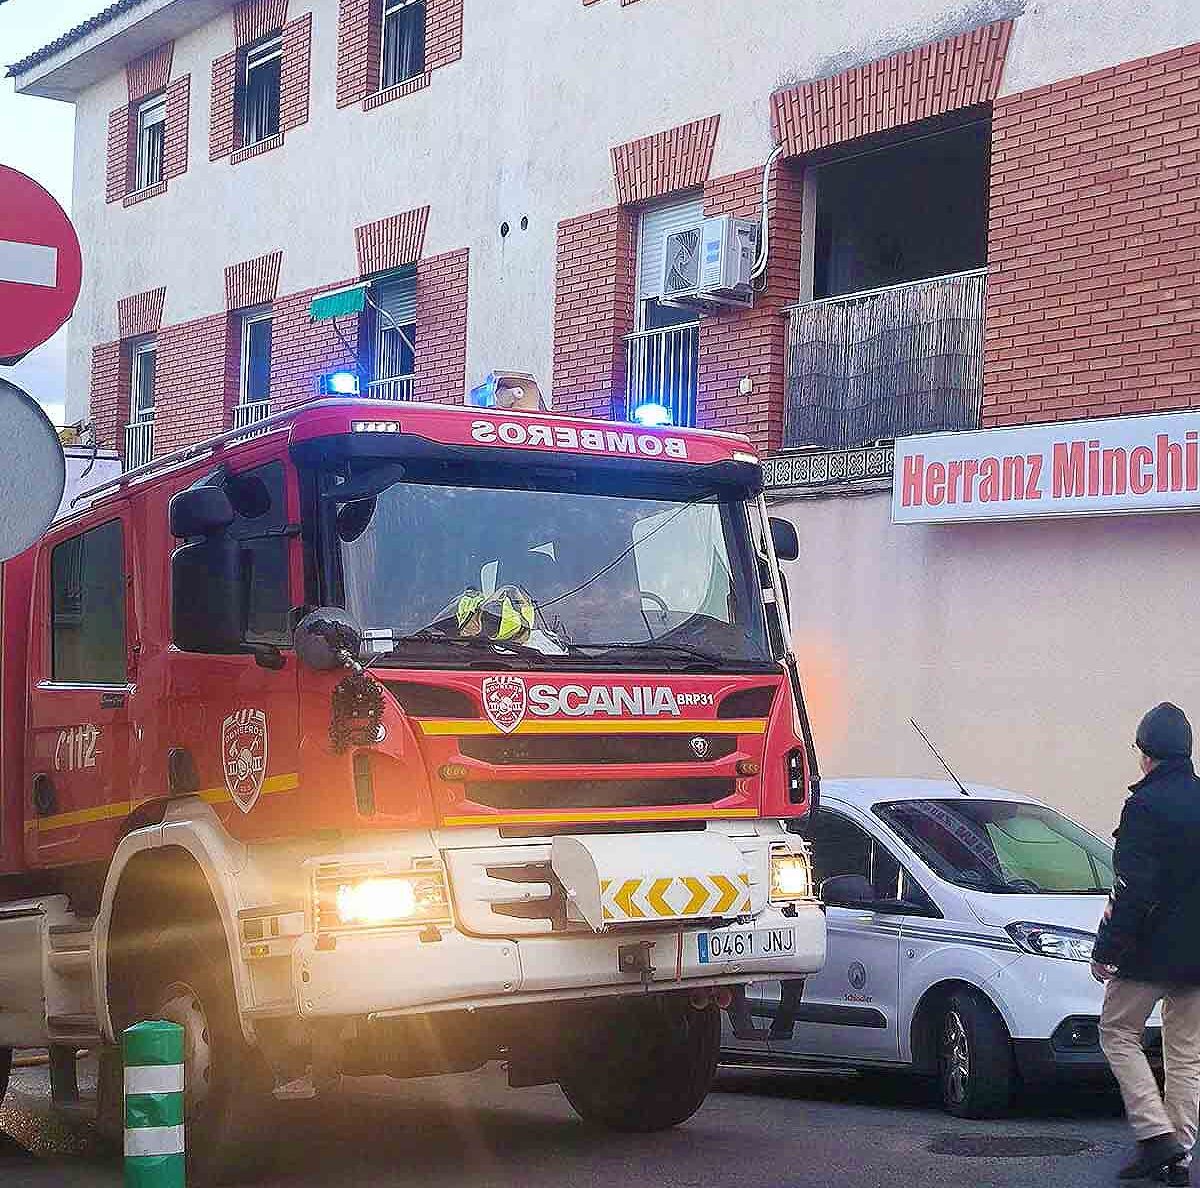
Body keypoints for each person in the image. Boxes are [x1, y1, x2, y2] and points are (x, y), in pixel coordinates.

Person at [1094, 703, 1200, 1185]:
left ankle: (1156, 1135)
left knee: (1117, 1031)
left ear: (1146, 753)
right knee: (1186, 1052)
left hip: (1148, 951)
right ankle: (1177, 1154)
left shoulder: (1143, 806)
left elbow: (1131, 889)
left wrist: (1107, 950)